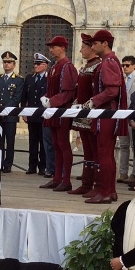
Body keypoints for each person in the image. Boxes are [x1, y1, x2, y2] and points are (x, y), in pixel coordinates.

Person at [85, 30, 126, 204]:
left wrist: (93, 101)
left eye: (95, 43)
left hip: (106, 113)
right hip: (105, 112)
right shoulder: (108, 61)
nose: (92, 47)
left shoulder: (109, 62)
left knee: (104, 153)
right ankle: (109, 190)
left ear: (105, 44)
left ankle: (107, 191)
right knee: (106, 154)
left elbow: (112, 90)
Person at [40, 36, 78, 192]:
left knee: (63, 145)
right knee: (55, 145)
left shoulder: (67, 66)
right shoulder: (55, 66)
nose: (50, 49)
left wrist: (52, 101)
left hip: (62, 111)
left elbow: (69, 92)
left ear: (62, 48)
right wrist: (47, 98)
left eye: (53, 46)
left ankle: (66, 179)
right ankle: (57, 178)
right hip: (53, 111)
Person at [69, 35, 101, 197]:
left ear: (91, 48)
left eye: (83, 47)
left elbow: (96, 91)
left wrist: (87, 105)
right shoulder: (86, 66)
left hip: (91, 113)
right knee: (87, 150)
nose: (81, 50)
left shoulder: (98, 66)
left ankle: (95, 184)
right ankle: (86, 183)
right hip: (82, 112)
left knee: (95, 150)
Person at [0, 51, 24, 173]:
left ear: (14, 65)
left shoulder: (18, 80)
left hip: (10, 115)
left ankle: (8, 164)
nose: (6, 64)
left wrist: (5, 109)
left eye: (9, 62)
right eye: (5, 62)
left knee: (10, 141)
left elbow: (17, 98)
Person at [22, 53, 50, 175]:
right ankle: (32, 166)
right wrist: (23, 111)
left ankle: (42, 166)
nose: (35, 66)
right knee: (32, 142)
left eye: (38, 64)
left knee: (43, 142)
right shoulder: (29, 78)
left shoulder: (49, 79)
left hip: (43, 115)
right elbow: (24, 96)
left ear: (45, 65)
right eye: (34, 64)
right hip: (31, 114)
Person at [117, 55, 135, 185]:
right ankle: (122, 172)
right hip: (122, 115)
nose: (124, 67)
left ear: (134, 66)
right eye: (123, 65)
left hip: (132, 115)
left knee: (134, 145)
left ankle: (134, 173)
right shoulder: (122, 79)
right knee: (123, 145)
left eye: (127, 65)